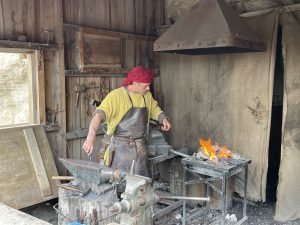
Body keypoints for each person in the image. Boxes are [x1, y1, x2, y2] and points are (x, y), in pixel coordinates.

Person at [82, 66, 171, 177]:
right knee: (119, 184)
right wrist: (91, 137)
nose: (148, 88)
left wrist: (163, 118)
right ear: (136, 83)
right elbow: (98, 116)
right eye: (146, 85)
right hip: (119, 150)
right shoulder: (116, 96)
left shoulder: (146, 96)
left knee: (140, 184)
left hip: (140, 149)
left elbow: (154, 109)